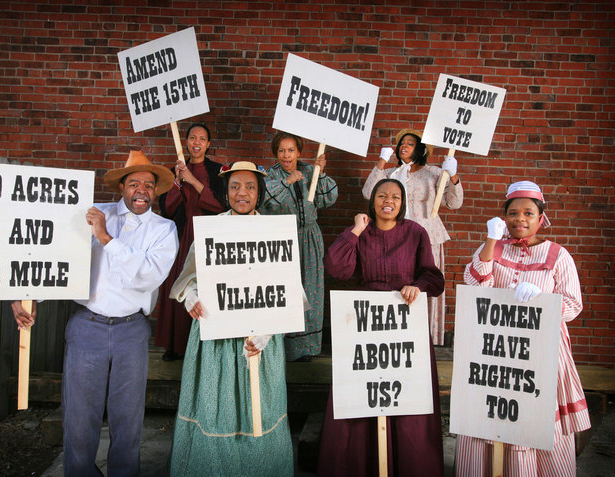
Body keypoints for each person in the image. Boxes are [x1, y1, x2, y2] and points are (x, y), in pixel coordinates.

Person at [11, 150, 179, 477]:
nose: (141, 190)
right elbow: (58, 259)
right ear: (122, 188)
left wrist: (105, 237)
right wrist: (26, 295)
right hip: (87, 327)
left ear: (156, 191)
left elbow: (147, 275)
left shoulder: (163, 229)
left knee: (127, 418)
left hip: (132, 330)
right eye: (134, 184)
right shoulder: (93, 214)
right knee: (78, 417)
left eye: (148, 184)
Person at [455, 181, 591, 477]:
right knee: (493, 409)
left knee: (533, 413)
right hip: (495, 349)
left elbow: (573, 304)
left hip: (540, 352)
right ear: (503, 217)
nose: (520, 219)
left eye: (528, 213)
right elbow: (477, 284)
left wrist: (543, 300)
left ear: (541, 218)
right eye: (513, 213)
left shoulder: (558, 255)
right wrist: (491, 240)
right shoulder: (492, 247)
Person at [168, 161, 294, 476]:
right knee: (216, 406)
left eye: (250, 186)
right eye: (235, 186)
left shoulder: (275, 232)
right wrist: (192, 297)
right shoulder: (212, 230)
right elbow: (188, 279)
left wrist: (266, 332)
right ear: (226, 191)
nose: (242, 192)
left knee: (259, 410)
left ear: (260, 192)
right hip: (218, 337)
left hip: (259, 340)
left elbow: (288, 290)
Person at [319, 178, 445, 477]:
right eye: (382, 195)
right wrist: (356, 230)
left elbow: (435, 279)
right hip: (365, 326)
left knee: (406, 397)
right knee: (361, 395)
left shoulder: (416, 232)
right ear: (372, 200)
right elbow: (337, 269)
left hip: (404, 325)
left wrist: (416, 286)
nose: (389, 200)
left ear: (403, 204)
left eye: (396, 197)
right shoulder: (361, 232)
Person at [362, 129, 463, 346]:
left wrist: (453, 176)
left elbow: (454, 203)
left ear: (421, 149)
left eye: (409, 143)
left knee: (424, 283)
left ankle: (425, 338)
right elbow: (368, 193)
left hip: (427, 235)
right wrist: (381, 161)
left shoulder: (435, 173)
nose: (403, 146)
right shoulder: (390, 173)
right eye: (401, 144)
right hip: (396, 239)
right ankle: (397, 337)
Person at [261, 131, 338, 362]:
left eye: (291, 150)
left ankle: (306, 348)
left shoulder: (309, 170)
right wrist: (287, 181)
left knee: (310, 289)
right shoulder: (269, 174)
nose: (287, 155)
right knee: (285, 291)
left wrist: (320, 173)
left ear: (299, 152)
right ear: (276, 152)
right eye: (282, 150)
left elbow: (328, 198)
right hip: (282, 239)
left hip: (310, 237)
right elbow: (267, 203)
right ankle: (281, 347)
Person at [154, 123, 224, 361]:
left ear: (208, 144)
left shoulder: (218, 171)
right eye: (192, 138)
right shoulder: (175, 171)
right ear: (185, 142)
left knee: (206, 289)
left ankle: (205, 344)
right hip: (184, 237)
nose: (197, 142)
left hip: (209, 237)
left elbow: (221, 206)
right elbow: (167, 208)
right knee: (181, 287)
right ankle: (176, 346)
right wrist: (177, 180)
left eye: (202, 139)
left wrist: (193, 180)